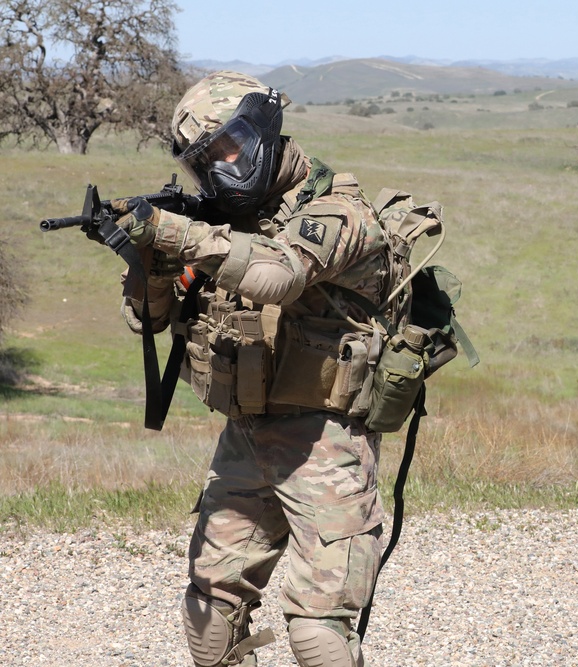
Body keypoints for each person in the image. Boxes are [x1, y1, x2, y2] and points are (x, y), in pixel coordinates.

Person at [109, 70, 432, 667]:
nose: (222, 170)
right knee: (209, 612)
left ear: (264, 127)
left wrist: (178, 234)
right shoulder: (220, 220)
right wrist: (148, 258)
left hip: (324, 442)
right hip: (246, 433)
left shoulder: (339, 213)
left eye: (230, 147)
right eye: (205, 163)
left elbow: (277, 276)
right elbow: (147, 320)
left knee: (318, 631)